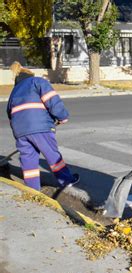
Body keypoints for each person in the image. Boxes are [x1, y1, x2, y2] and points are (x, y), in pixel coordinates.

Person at [6, 62, 79, 191]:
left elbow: (10, 114)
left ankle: (33, 190)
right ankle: (66, 180)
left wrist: (20, 133)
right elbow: (52, 100)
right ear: (30, 75)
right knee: (51, 154)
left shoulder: (14, 92)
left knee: (28, 160)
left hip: (20, 131)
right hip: (39, 127)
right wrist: (62, 116)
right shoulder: (37, 81)